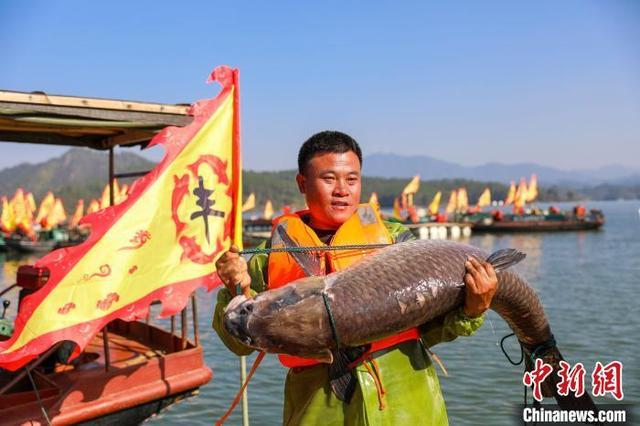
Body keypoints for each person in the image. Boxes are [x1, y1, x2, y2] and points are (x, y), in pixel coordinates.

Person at [213, 131, 498, 425]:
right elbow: (239, 344)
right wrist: (234, 287)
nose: (342, 190)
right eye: (329, 178)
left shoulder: (396, 241)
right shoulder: (267, 257)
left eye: (352, 179)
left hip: (408, 407)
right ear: (302, 183)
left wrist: (471, 311)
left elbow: (431, 330)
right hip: (317, 413)